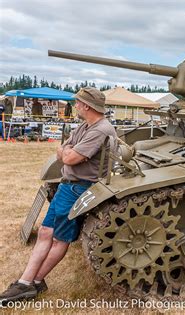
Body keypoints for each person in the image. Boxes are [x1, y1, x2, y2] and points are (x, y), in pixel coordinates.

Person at [0, 87, 117, 304]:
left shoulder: (100, 129)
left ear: (87, 106)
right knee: (46, 232)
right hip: (68, 186)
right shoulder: (87, 125)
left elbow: (70, 157)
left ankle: (29, 283)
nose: (76, 106)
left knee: (60, 238)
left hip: (79, 188)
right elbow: (64, 150)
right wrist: (68, 152)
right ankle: (30, 282)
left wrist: (68, 153)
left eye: (78, 102)